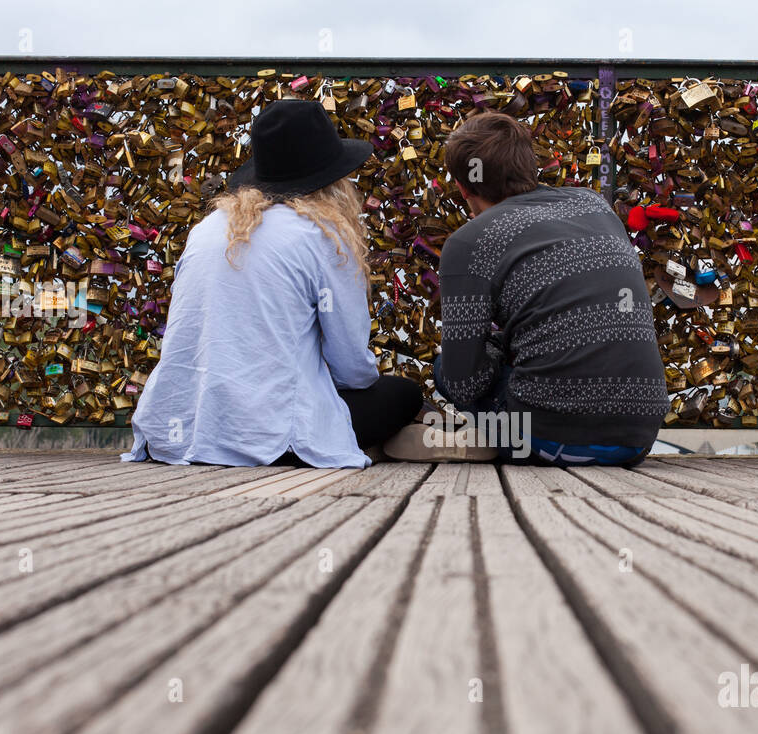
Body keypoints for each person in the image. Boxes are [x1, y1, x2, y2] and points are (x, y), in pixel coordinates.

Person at [122, 100, 422, 468]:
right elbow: (352, 368)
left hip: (177, 427)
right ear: (333, 181)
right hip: (273, 436)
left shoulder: (206, 229)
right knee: (403, 395)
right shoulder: (324, 236)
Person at [383, 111, 669, 466]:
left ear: (462, 186)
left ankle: (494, 437)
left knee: (446, 368)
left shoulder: (469, 241)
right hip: (639, 437)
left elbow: (463, 385)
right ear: (530, 167)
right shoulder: (594, 205)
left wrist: (491, 353)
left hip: (557, 435)